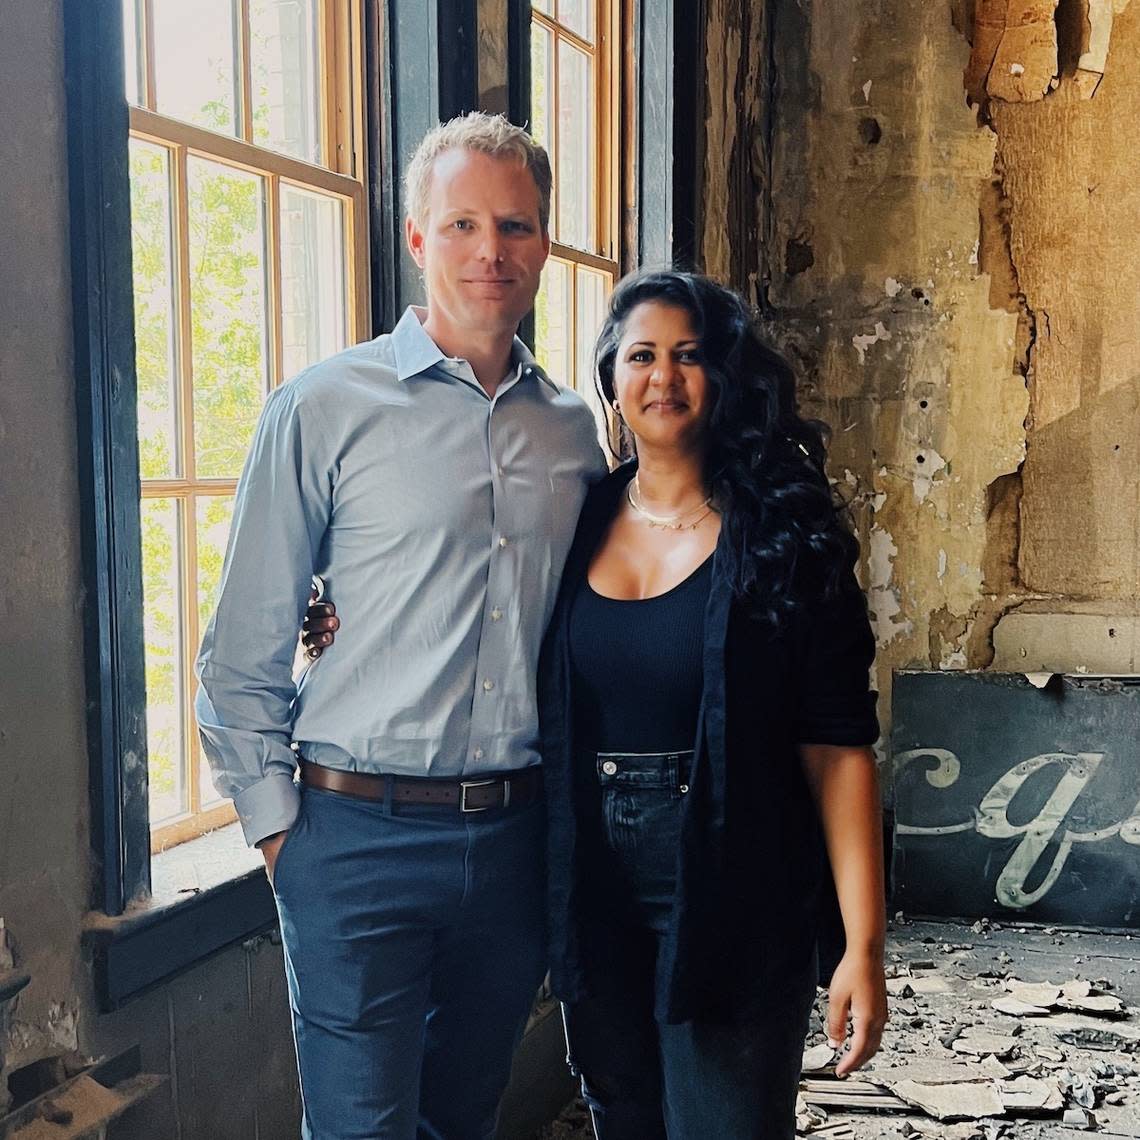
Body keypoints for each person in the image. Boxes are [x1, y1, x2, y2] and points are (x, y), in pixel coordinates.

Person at [195, 112, 605, 1140]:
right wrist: (283, 834)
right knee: (362, 1130)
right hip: (351, 837)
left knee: (461, 1120)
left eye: (515, 227)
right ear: (418, 239)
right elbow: (241, 650)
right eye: (462, 224)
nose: (491, 251)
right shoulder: (324, 407)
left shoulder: (573, 435)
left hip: (513, 841)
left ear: (543, 247)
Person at [536, 270, 888, 1138]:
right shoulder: (574, 517)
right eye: (643, 355)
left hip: (738, 878)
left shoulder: (785, 532)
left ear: (725, 375)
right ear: (611, 375)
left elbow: (837, 747)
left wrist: (863, 946)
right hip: (594, 887)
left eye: (689, 356)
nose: (664, 376)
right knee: (624, 1119)